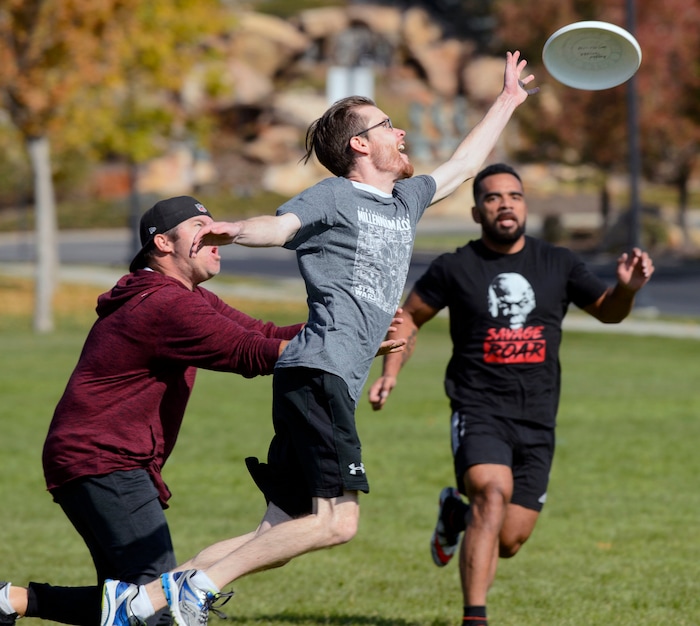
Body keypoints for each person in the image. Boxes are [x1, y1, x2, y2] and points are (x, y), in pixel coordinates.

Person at [92, 50, 537, 626]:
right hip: (315, 373)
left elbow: (464, 163)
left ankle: (142, 601)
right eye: (386, 125)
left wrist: (507, 100)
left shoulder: (405, 200)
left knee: (277, 532)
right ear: (358, 144)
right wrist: (235, 229)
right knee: (338, 523)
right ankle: (194, 589)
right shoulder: (333, 196)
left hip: (325, 381)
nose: (400, 132)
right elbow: (279, 227)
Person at [367, 162, 655, 626]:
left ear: (525, 206)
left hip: (538, 418)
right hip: (478, 407)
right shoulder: (455, 267)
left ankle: (456, 516)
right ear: (478, 212)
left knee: (508, 539)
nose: (505, 204)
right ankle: (475, 618)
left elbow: (608, 313)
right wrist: (391, 370)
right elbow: (409, 318)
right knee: (493, 491)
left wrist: (626, 289)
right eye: (493, 197)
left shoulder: (557, 263)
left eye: (514, 196)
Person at [0, 195, 305, 626]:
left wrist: (350, 328)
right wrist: (347, 343)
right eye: (202, 228)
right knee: (153, 601)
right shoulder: (165, 304)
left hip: (98, 458)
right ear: (163, 243)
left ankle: (10, 601)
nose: (217, 237)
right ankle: (9, 601)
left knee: (131, 601)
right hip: (104, 459)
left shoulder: (183, 295)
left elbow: (264, 332)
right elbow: (249, 352)